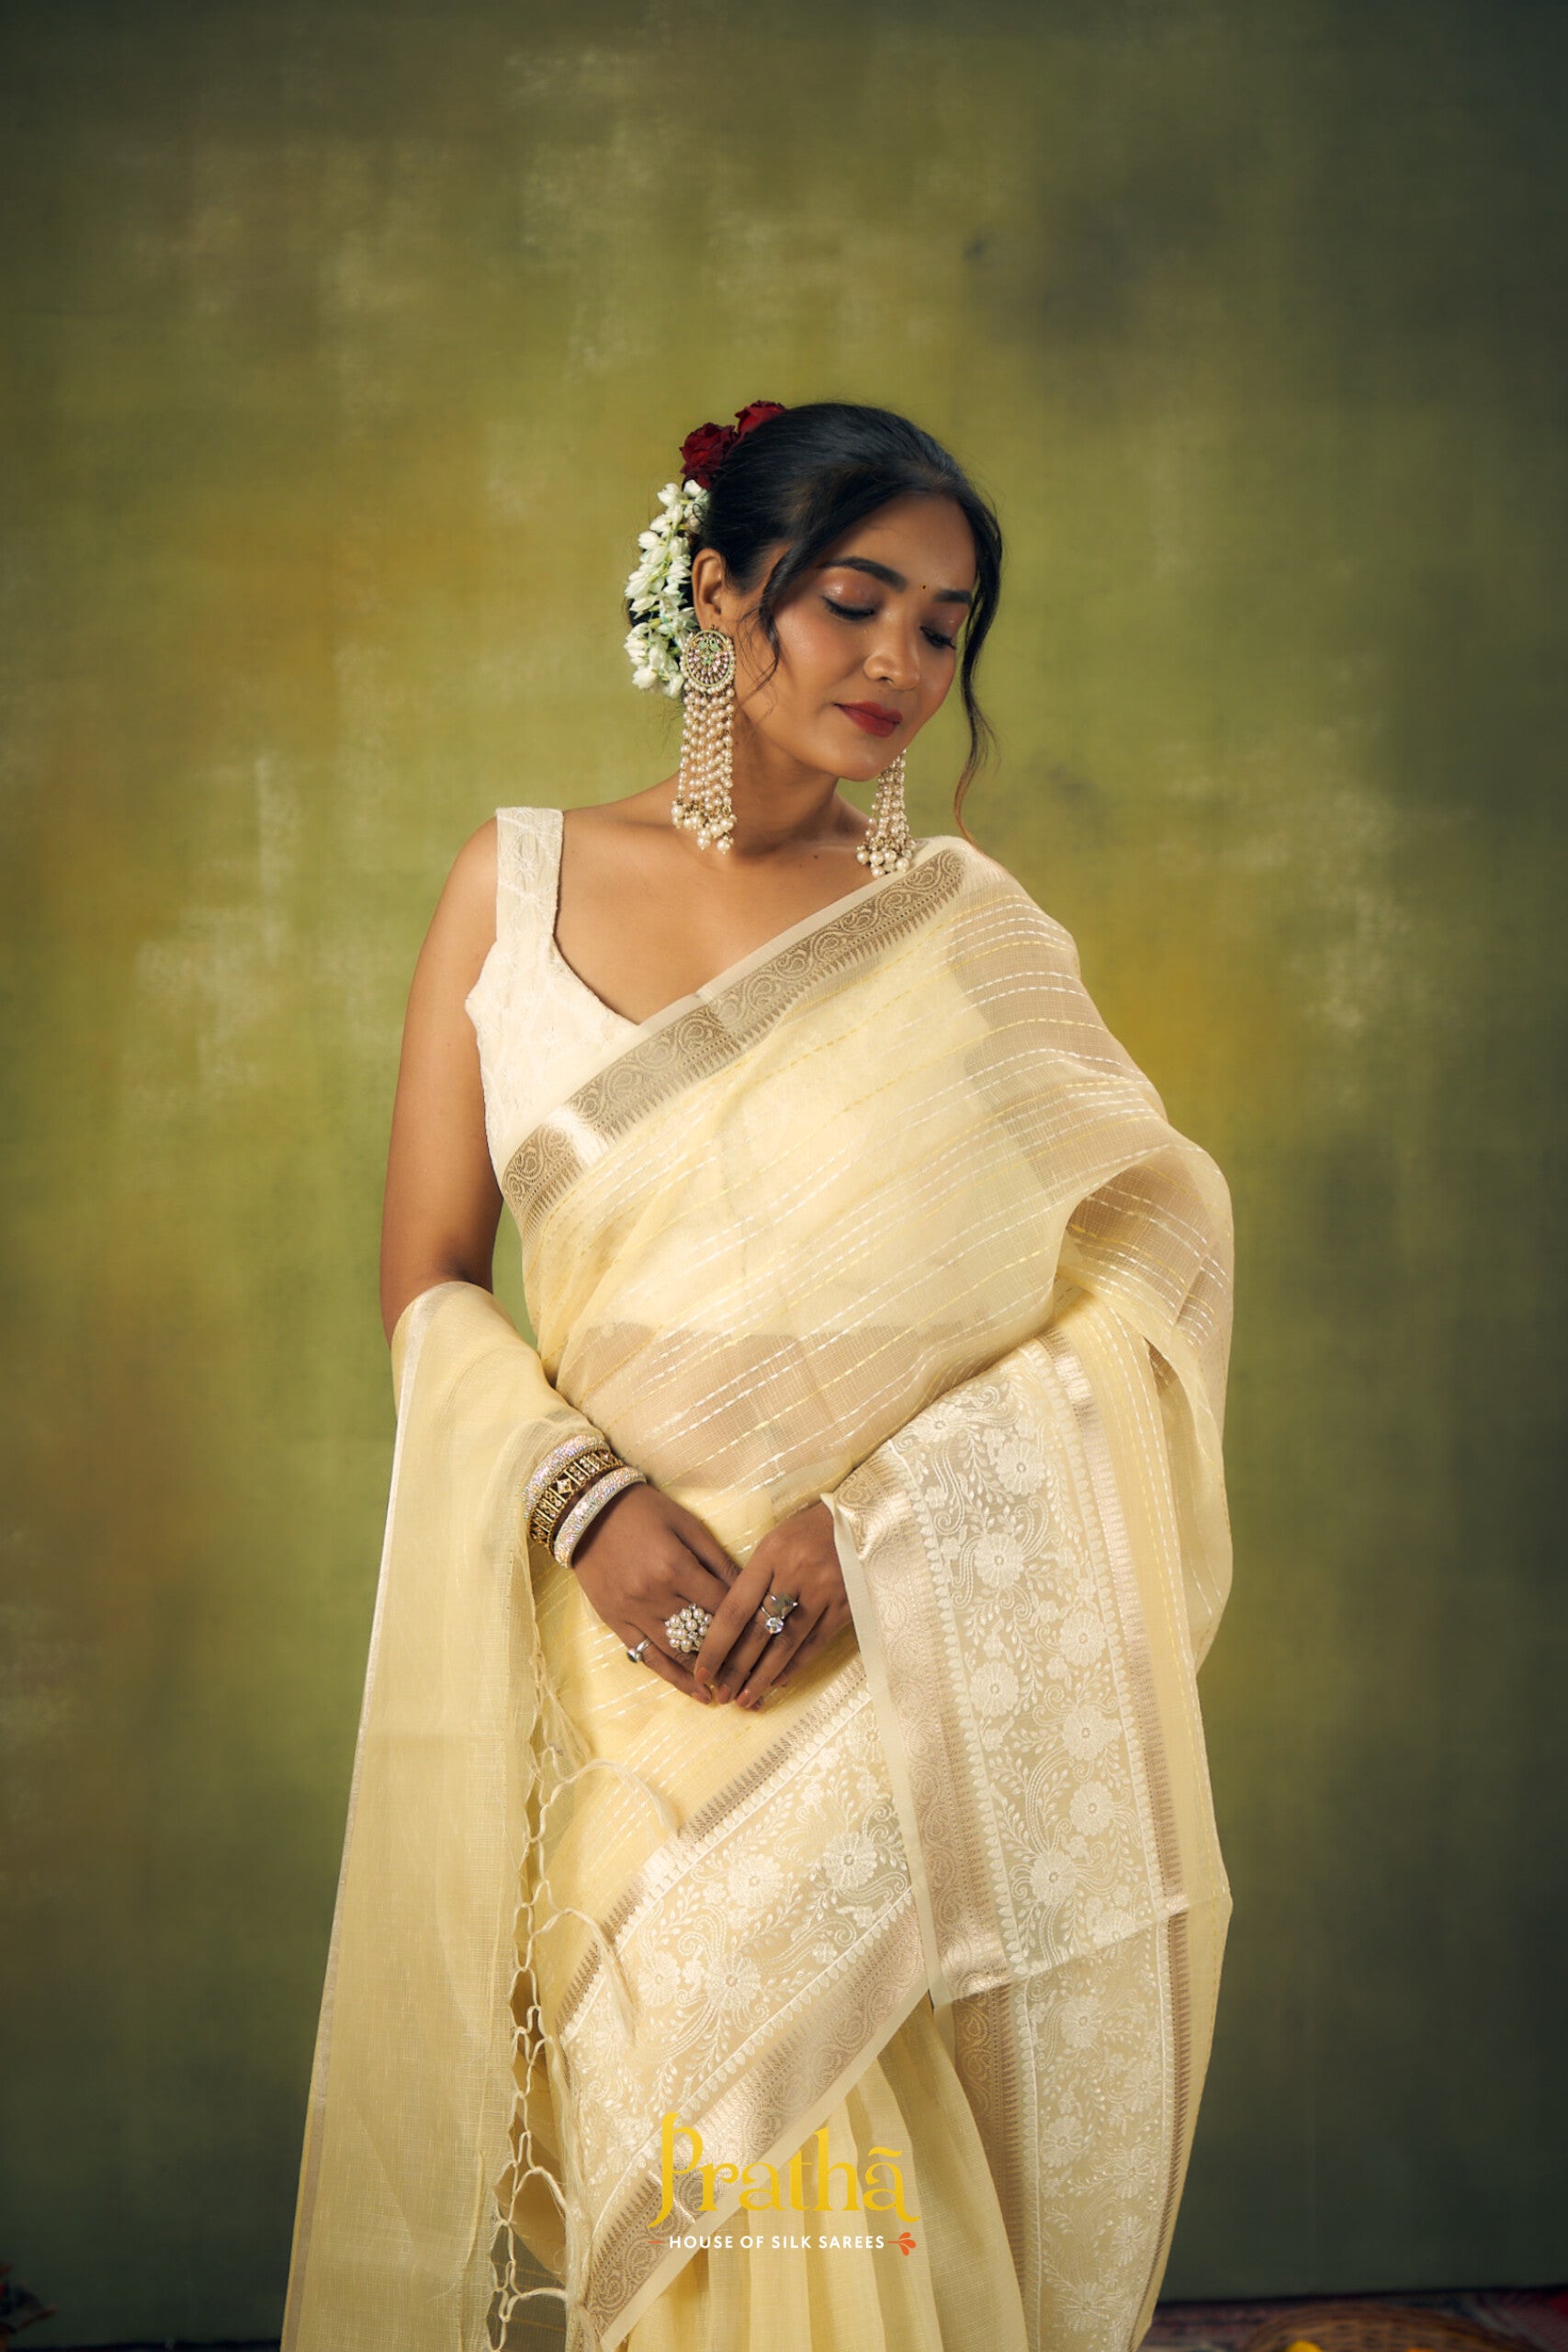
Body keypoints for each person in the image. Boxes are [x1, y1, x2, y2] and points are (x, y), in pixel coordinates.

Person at [281, 401, 1235, 2352]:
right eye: (851, 602)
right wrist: (581, 1504)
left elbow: (1149, 1250)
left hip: (874, 1637)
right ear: (718, 595)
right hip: (622, 1645)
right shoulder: (514, 883)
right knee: (686, 2151)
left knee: (855, 2180)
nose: (900, 663)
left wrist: (881, 1525)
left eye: (945, 628)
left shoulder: (956, 930)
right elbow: (429, 1284)